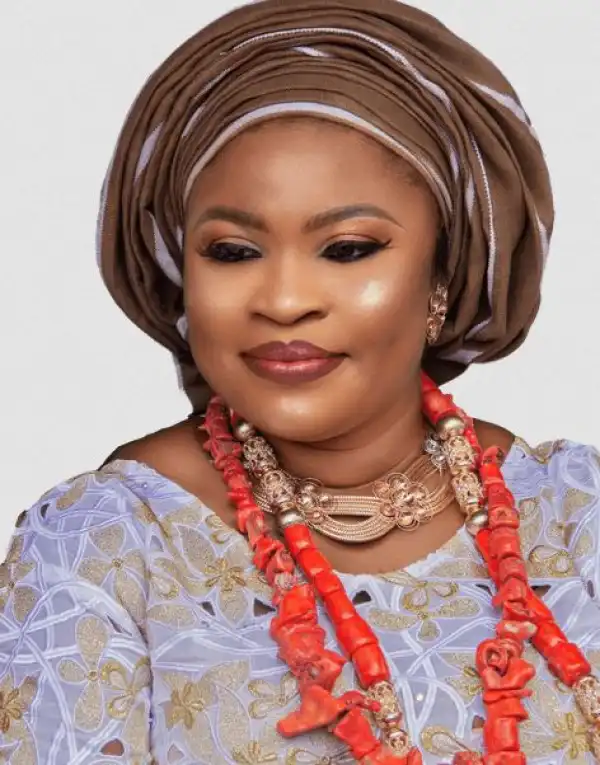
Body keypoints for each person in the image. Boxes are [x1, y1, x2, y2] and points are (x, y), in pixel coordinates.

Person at [1, 0, 599, 762]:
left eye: (347, 249)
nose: (284, 301)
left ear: (442, 276)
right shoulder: (107, 548)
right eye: (232, 251)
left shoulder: (575, 517)